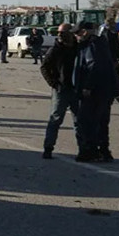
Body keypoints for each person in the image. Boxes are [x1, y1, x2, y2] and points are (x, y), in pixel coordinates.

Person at [73, 21, 119, 162]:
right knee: (101, 121)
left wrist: (88, 86)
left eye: (77, 33)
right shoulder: (101, 43)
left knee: (86, 120)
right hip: (105, 89)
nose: (76, 37)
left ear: (84, 32)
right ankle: (104, 150)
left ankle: (90, 150)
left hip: (96, 91)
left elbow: (93, 66)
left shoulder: (91, 45)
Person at [40, 24, 79, 159]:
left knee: (79, 121)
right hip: (61, 90)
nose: (61, 35)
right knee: (55, 119)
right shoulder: (55, 50)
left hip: (76, 89)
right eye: (59, 32)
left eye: (64, 32)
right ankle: (48, 148)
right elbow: (44, 67)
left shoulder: (77, 48)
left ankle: (83, 149)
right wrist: (54, 84)